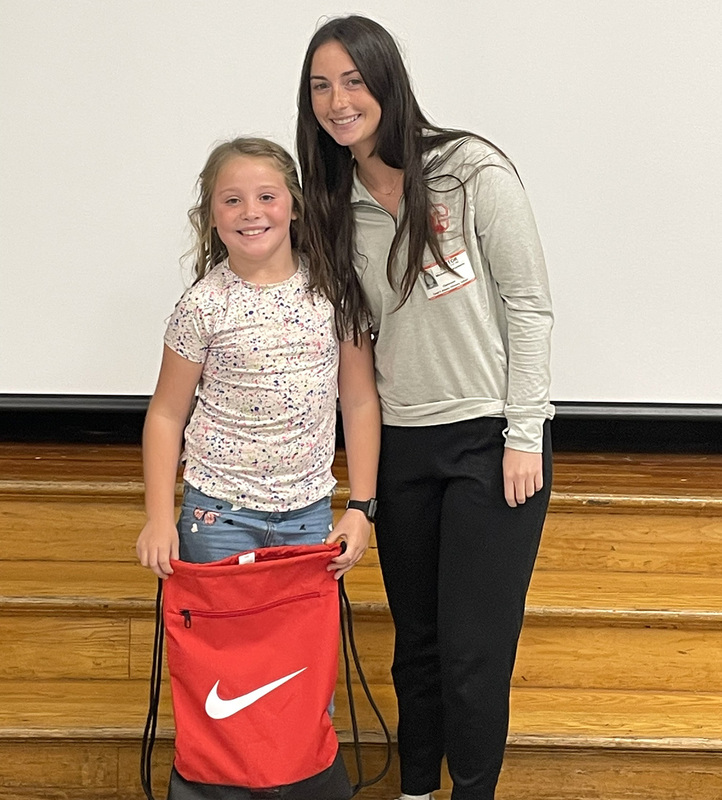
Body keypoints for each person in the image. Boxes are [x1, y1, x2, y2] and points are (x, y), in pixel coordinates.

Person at [296, 16, 554, 800]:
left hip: (490, 443)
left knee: (476, 654)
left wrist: (524, 434)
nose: (339, 101)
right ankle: (415, 791)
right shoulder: (330, 205)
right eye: (320, 86)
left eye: (353, 80)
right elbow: (355, 347)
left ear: (386, 80)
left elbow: (530, 306)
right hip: (403, 446)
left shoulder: (469, 170)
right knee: (419, 650)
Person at [136, 137, 380, 581]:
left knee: (299, 651)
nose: (251, 212)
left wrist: (361, 507)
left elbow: (361, 401)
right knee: (219, 647)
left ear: (294, 206)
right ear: (211, 216)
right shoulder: (203, 305)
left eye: (267, 197)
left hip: (308, 517)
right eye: (232, 200)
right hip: (216, 515)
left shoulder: (336, 294)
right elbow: (167, 414)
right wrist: (157, 516)